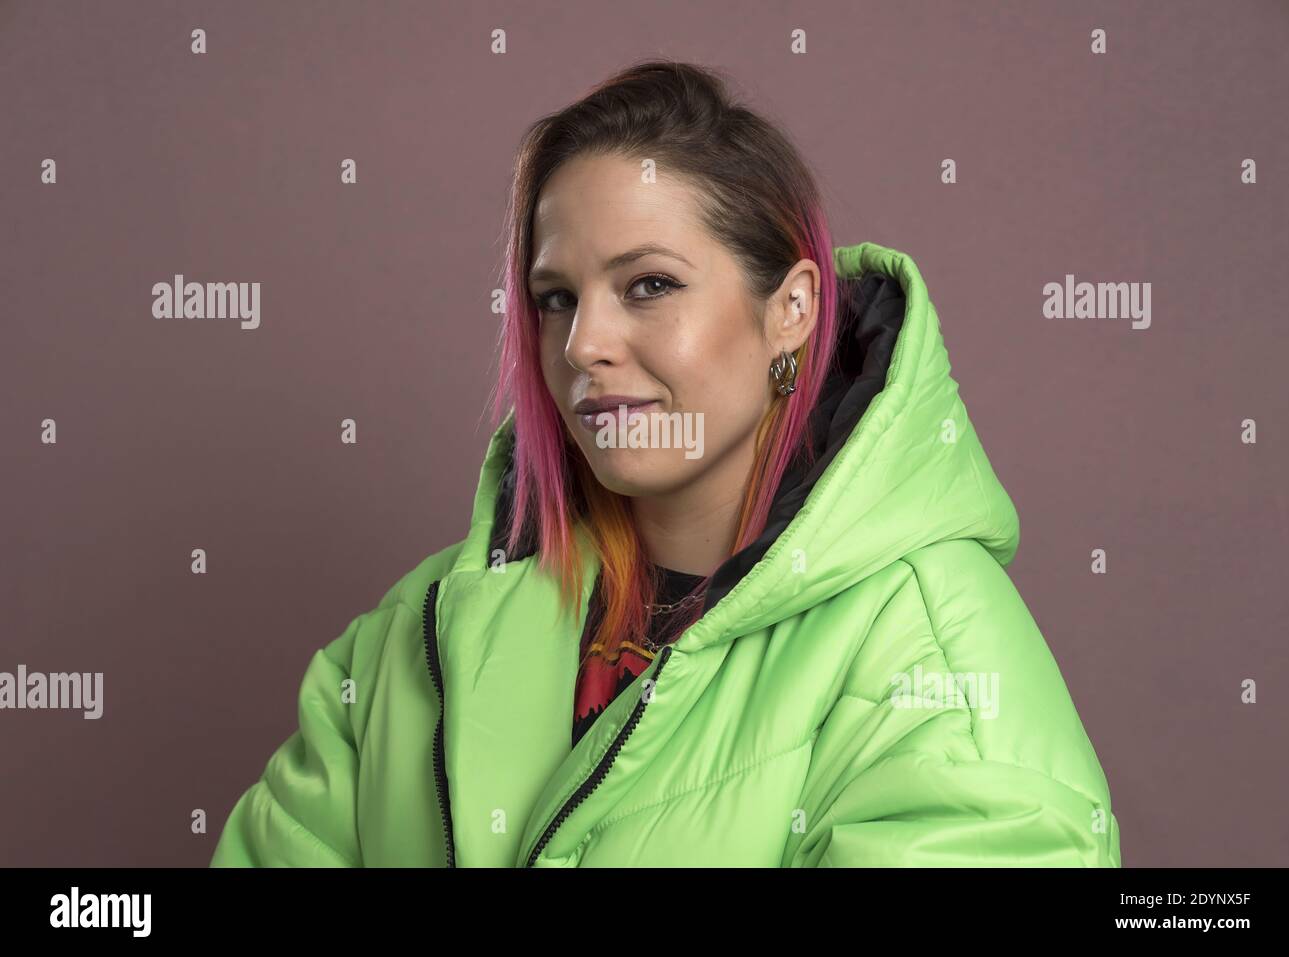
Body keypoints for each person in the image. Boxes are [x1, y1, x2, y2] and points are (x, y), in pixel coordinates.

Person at [210, 58, 1121, 867]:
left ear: (793, 308)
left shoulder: (937, 661)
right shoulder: (413, 636)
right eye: (556, 298)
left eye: (649, 285)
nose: (584, 344)